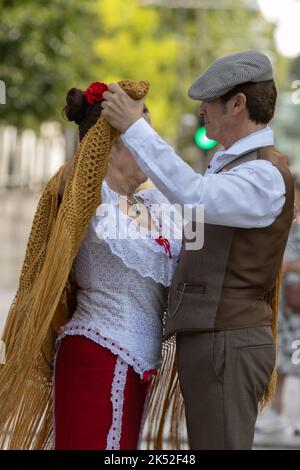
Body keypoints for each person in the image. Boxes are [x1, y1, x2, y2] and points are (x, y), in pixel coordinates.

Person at [101, 50, 295, 449]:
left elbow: (194, 196)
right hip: (216, 338)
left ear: (238, 104)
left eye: (210, 101)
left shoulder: (262, 174)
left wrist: (135, 129)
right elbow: (195, 240)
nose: (202, 110)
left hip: (227, 339)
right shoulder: (234, 166)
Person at [53, 84, 182, 450]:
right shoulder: (87, 198)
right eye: (140, 135)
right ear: (109, 147)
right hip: (97, 355)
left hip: (135, 364)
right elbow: (66, 182)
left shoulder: (155, 204)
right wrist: (98, 120)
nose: (151, 143)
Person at [256, 173, 300, 438]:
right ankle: (276, 411)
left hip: (298, 303)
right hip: (283, 304)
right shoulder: (284, 225)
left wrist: (288, 266)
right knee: (281, 359)